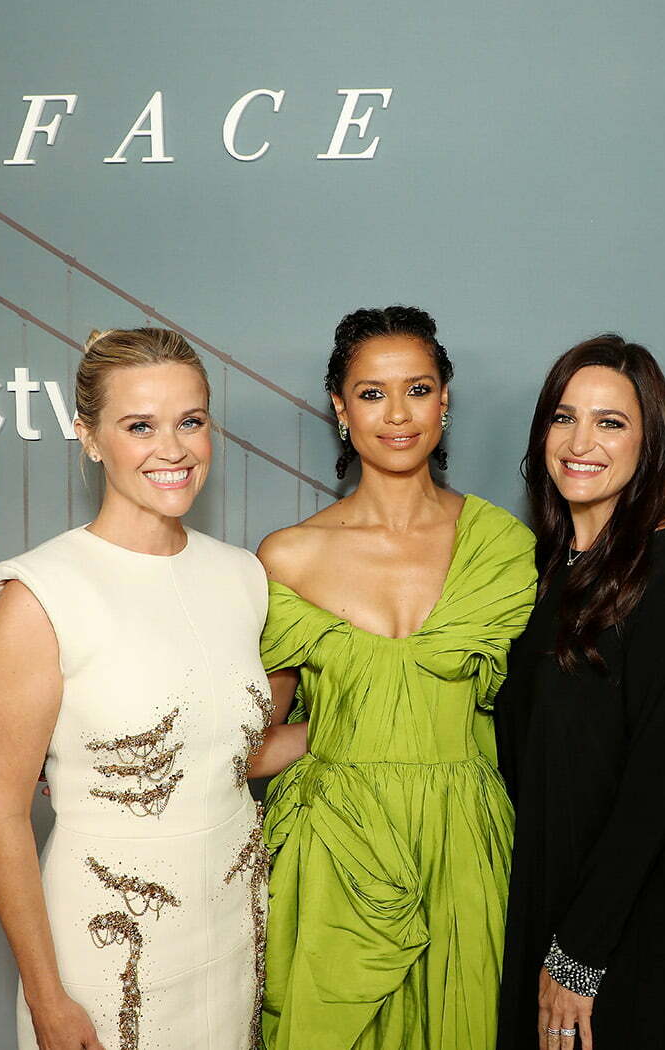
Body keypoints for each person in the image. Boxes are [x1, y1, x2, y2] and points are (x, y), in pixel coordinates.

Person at [0, 327, 280, 1050]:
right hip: (106, 954)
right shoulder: (40, 595)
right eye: (139, 426)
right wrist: (49, 1000)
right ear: (89, 437)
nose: (171, 449)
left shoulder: (242, 576)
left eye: (190, 422)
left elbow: (224, 756)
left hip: (234, 933)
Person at [254, 305, 537, 1050]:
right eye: (372, 394)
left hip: (464, 846)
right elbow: (252, 745)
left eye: (417, 389)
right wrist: (356, 729)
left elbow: (550, 722)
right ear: (341, 411)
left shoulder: (504, 547)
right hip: (333, 853)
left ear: (445, 400)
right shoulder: (289, 556)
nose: (397, 413)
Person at [494, 335, 665, 1050]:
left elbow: (656, 791)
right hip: (534, 898)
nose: (580, 442)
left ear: (649, 444)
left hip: (615, 936)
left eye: (610, 422)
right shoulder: (541, 573)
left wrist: (579, 957)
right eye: (563, 418)